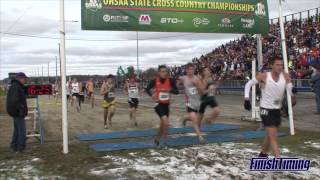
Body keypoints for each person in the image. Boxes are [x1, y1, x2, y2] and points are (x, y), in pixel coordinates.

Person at [244, 56, 295, 157]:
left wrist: (292, 96)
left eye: (281, 65)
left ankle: (262, 155)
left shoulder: (285, 76)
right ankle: (279, 162)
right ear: (271, 65)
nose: (280, 67)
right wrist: (246, 99)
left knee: (270, 135)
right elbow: (248, 84)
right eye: (277, 64)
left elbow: (289, 87)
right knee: (273, 137)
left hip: (277, 110)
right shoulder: (264, 76)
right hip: (265, 110)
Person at [145, 65, 179, 146]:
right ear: (159, 73)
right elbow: (147, 89)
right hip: (158, 104)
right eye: (162, 71)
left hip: (166, 105)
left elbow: (177, 91)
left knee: (163, 124)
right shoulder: (155, 81)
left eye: (165, 71)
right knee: (166, 122)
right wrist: (151, 95)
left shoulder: (170, 80)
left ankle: (157, 138)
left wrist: (170, 90)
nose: (164, 73)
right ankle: (166, 141)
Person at [178, 63, 206, 143]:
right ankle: (199, 136)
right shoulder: (183, 78)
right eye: (189, 69)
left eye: (192, 69)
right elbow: (176, 83)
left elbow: (202, 92)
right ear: (186, 70)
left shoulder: (197, 79)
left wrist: (198, 86)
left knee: (197, 120)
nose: (191, 71)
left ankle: (185, 118)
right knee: (194, 119)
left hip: (199, 102)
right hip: (189, 102)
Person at [6, 72, 28, 153]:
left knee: (16, 130)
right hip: (17, 112)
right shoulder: (16, 87)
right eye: (24, 79)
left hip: (15, 112)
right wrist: (21, 108)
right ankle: (20, 148)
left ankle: (14, 146)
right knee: (21, 130)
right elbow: (14, 100)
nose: (25, 80)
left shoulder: (16, 86)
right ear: (20, 78)